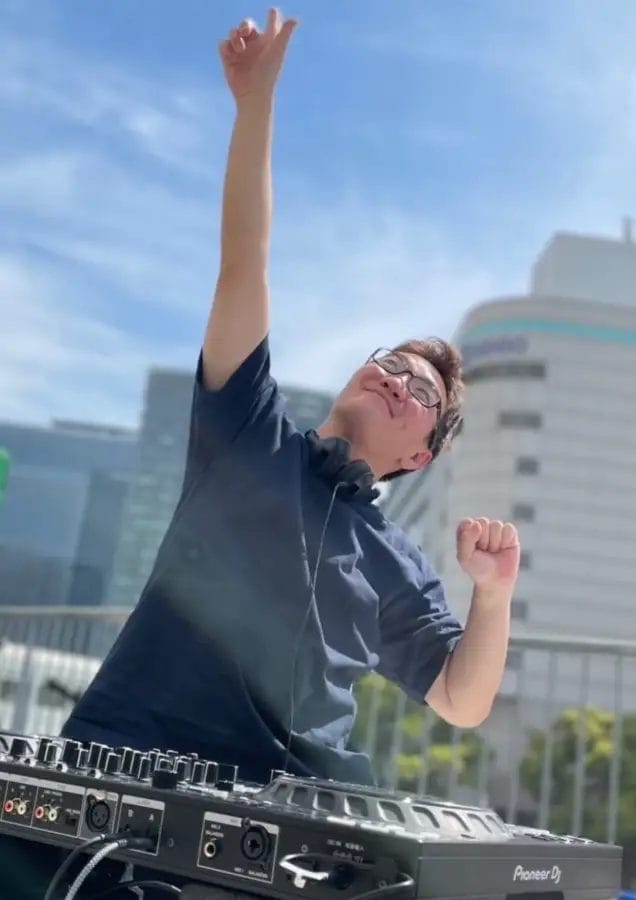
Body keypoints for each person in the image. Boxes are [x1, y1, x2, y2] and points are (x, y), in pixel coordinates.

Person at [61, 9, 520, 788]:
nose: (395, 378)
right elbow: (244, 264)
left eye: (420, 390)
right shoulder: (248, 431)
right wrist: (256, 104)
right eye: (389, 362)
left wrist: (494, 594)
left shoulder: (396, 561)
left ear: (421, 455)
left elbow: (461, 699)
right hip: (132, 763)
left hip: (299, 804)